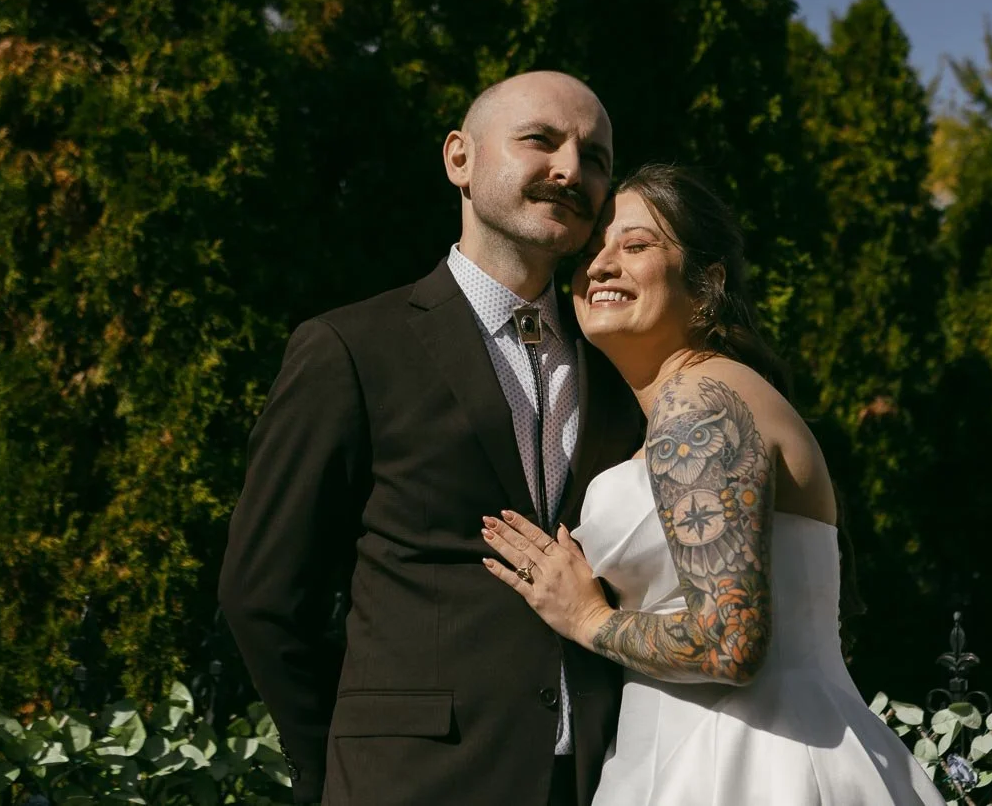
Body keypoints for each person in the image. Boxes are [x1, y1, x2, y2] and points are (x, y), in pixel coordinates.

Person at [219, 71, 647, 806]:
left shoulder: (622, 363)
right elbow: (262, 594)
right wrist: (345, 765)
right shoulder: (350, 349)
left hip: (602, 782)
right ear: (460, 159)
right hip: (408, 784)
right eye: (541, 140)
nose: (572, 169)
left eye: (596, 158)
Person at [481, 164, 948, 805]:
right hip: (693, 748)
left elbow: (730, 642)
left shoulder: (699, 398)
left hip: (750, 764)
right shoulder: (701, 396)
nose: (601, 266)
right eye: (591, 251)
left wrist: (588, 618)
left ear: (706, 282)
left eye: (637, 245)